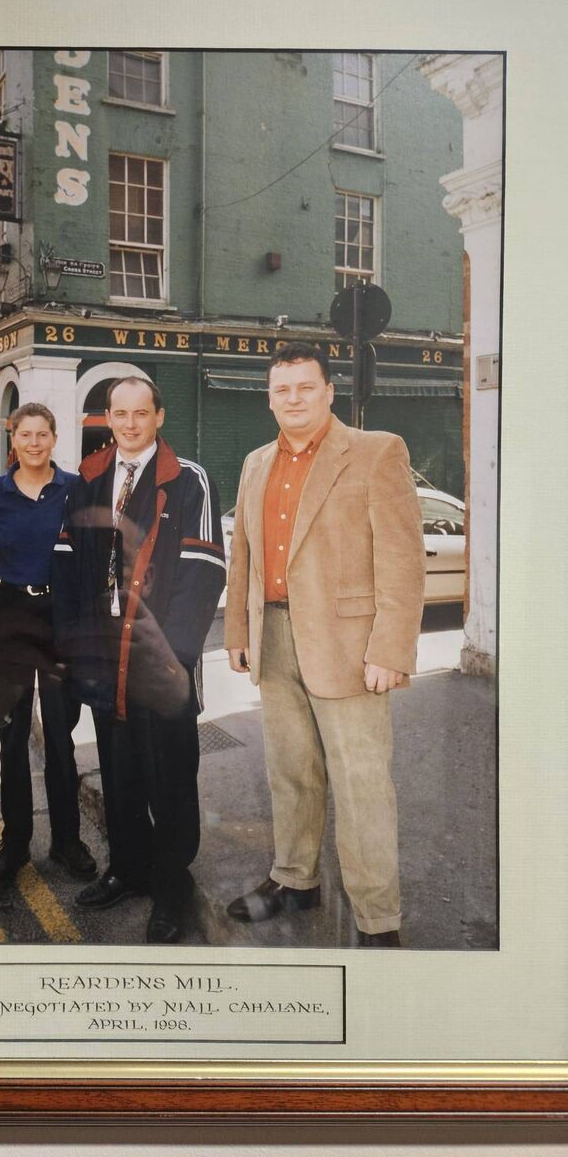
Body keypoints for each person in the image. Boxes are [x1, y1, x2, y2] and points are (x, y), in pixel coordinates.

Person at [223, 343, 426, 948]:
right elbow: (245, 559)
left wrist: (390, 648)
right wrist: (239, 632)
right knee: (291, 773)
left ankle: (377, 920)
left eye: (305, 388)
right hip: (275, 637)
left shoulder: (375, 452)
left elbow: (402, 558)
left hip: (349, 644)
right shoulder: (257, 462)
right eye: (281, 390)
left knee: (362, 784)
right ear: (269, 396)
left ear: (329, 391)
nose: (293, 400)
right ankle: (295, 879)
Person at [52, 376, 225, 944]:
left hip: (158, 661)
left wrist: (170, 660)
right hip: (104, 656)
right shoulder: (91, 477)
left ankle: (170, 888)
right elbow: (67, 562)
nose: (129, 423)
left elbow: (204, 573)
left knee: (170, 776)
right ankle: (127, 869)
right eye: (118, 414)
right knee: (119, 770)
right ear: (108, 417)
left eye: (140, 413)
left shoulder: (189, 479)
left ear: (159, 416)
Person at [0, 403, 96, 888]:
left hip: (61, 618)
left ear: (54, 438)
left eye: (43, 434)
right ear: (13, 439)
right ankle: (16, 842)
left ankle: (67, 841)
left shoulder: (74, 490)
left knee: (61, 737)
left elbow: (90, 558)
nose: (35, 442)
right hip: (10, 617)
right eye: (26, 435)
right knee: (13, 738)